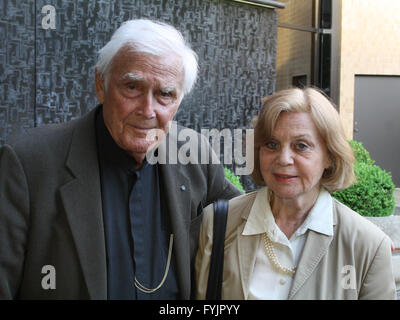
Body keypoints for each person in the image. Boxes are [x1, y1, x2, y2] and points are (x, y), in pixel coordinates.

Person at [0, 19, 241, 299]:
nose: (148, 110)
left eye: (165, 94)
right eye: (132, 87)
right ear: (100, 84)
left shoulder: (195, 155)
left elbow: (257, 221)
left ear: (179, 100)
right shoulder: (29, 162)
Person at [196, 87, 397, 300]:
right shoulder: (218, 224)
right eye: (271, 144)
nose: (283, 159)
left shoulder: (368, 245)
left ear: (329, 156)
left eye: (301, 146)